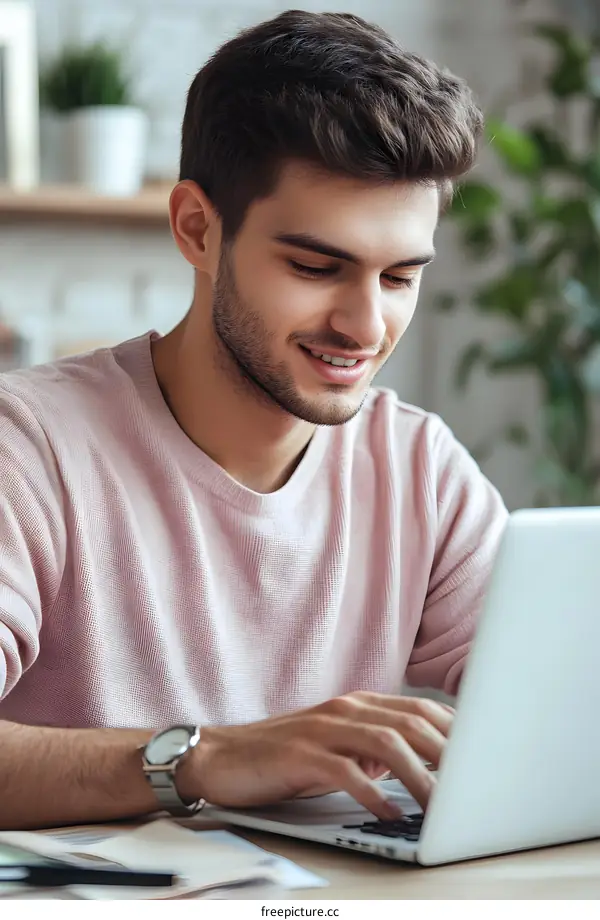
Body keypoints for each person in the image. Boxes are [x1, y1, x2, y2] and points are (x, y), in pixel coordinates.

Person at [0, 9, 507, 832]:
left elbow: (554, 709)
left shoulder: (420, 468)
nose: (365, 326)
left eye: (400, 278)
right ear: (197, 229)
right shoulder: (29, 449)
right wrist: (206, 759)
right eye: (316, 266)